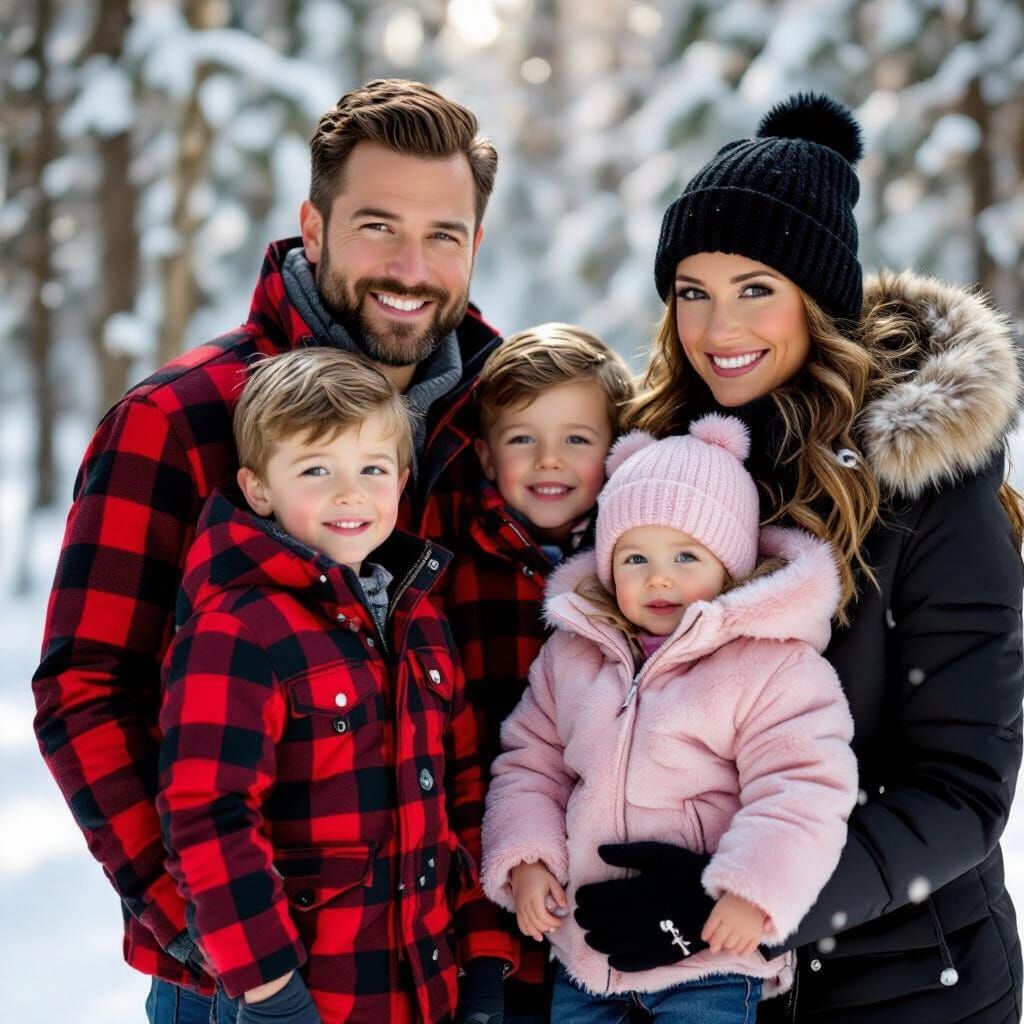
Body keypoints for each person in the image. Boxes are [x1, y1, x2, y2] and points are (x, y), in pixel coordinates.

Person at [31, 78, 512, 1024]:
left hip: (446, 970)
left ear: (474, 248)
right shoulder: (178, 420)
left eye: (443, 235)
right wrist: (222, 943)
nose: (411, 267)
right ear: (316, 225)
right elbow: (84, 691)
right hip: (252, 990)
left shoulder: (502, 419)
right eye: (378, 226)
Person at [571, 93, 1024, 1023]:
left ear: (816, 297)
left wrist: (735, 905)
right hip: (703, 993)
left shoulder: (927, 485)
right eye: (692, 291)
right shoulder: (667, 467)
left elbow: (960, 789)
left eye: (754, 289)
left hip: (900, 980)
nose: (718, 330)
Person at [158, 348, 501, 1024]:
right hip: (308, 1000)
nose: (351, 494)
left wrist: (483, 961)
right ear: (260, 489)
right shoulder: (238, 629)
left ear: (402, 479)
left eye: (372, 469)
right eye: (316, 470)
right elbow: (208, 815)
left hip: (428, 990)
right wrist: (270, 991)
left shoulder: (421, 619)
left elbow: (466, 796)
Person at [481, 415, 859, 1022]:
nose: (658, 577)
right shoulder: (573, 655)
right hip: (587, 956)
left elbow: (804, 786)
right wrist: (526, 857)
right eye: (634, 558)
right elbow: (531, 763)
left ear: (731, 561)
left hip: (708, 959)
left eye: (686, 554)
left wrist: (751, 891)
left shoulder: (770, 666)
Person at [446, 324, 635, 1021]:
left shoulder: (639, 569)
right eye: (523, 438)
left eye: (577, 440)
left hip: (613, 895)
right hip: (492, 891)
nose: (549, 459)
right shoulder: (455, 568)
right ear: (487, 454)